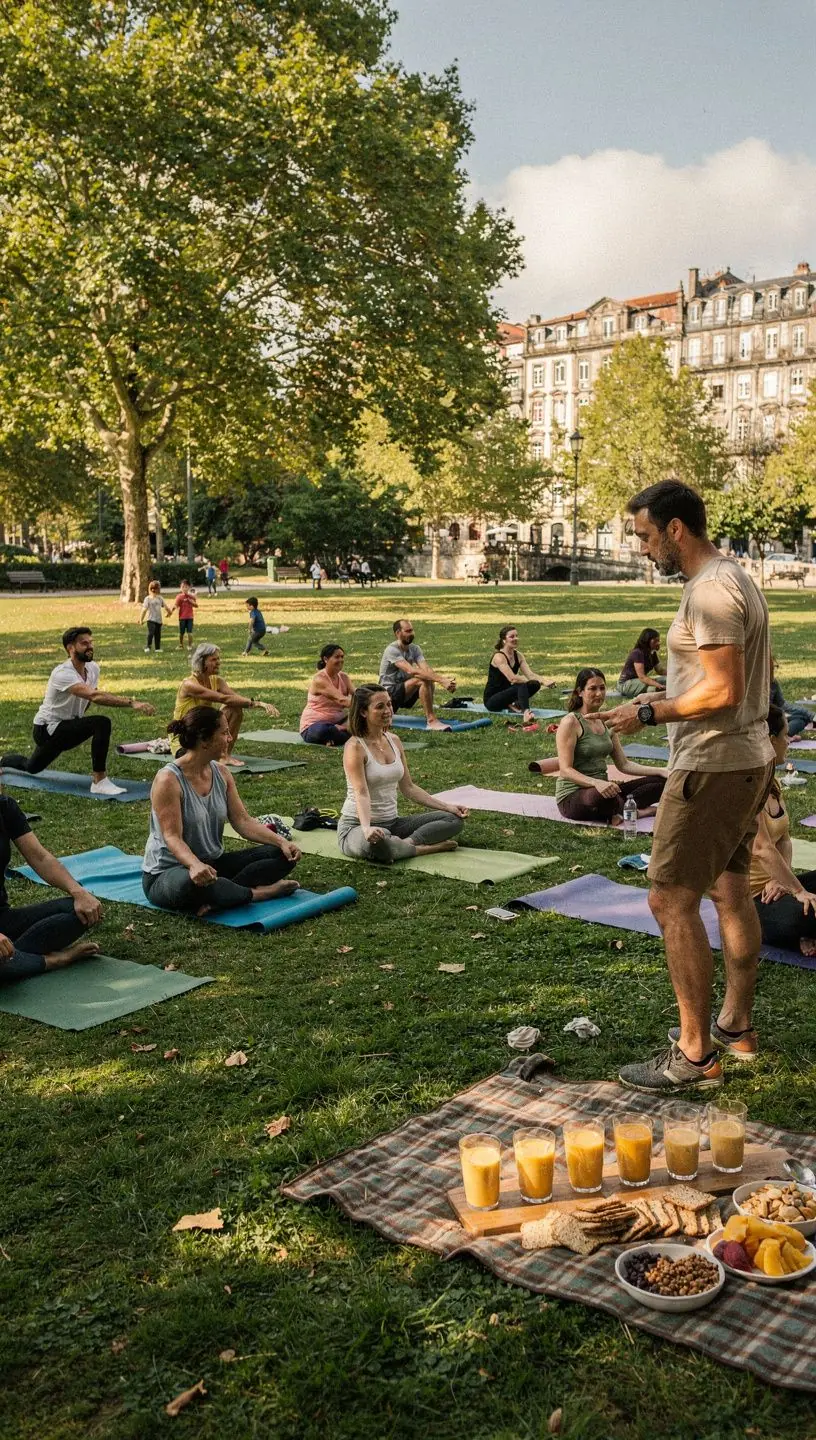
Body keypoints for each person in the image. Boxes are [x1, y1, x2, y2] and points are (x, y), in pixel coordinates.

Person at [605, 479, 775, 1093]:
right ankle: (737, 1025)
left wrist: (647, 713)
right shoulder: (736, 577)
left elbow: (723, 690)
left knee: (670, 898)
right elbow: (750, 680)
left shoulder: (709, 593)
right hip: (744, 757)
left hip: (713, 763)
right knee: (731, 892)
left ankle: (695, 1053)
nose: (645, 550)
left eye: (647, 537)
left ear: (676, 529)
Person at [142, 707, 301, 915]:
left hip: (212, 865)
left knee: (281, 855)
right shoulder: (168, 780)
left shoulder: (222, 773)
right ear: (205, 740)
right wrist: (194, 865)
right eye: (224, 733)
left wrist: (281, 842)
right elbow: (172, 837)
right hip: (168, 873)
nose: (230, 737)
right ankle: (260, 894)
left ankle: (223, 895)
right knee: (191, 884)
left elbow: (243, 821)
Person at [0, 627, 155, 796]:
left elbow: (88, 698)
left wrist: (79, 721)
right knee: (101, 723)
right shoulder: (62, 673)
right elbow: (94, 695)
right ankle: (99, 781)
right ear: (70, 648)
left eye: (91, 642)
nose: (90, 647)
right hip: (46, 729)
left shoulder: (93, 668)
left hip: (66, 726)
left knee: (32, 767)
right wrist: (131, 703)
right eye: (84, 643)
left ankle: (2, 761)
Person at [339, 686, 467, 863]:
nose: (388, 711)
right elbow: (361, 792)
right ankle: (423, 849)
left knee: (453, 820)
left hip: (393, 823)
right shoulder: (355, 747)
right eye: (380, 706)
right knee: (377, 842)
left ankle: (403, 845)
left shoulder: (394, 741)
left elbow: (408, 787)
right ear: (363, 712)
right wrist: (367, 828)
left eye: (389, 704)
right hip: (356, 827)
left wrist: (447, 807)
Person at [0, 793, 103, 982]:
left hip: (3, 918)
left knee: (79, 911)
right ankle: (51, 960)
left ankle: (12, 959)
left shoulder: (4, 807)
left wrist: (78, 892)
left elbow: (40, 858)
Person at [554, 668, 666, 824]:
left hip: (608, 791)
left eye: (602, 688)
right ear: (579, 692)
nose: (599, 693)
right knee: (600, 797)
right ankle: (638, 812)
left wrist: (661, 771)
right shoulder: (571, 722)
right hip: (574, 796)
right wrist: (596, 783)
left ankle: (622, 810)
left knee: (663, 782)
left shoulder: (606, 722)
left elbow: (624, 764)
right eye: (592, 688)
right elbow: (565, 770)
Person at [749, 705, 816, 962]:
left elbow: (784, 840)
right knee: (803, 914)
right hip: (754, 900)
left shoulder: (771, 781)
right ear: (769, 740)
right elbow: (761, 848)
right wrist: (797, 891)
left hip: (776, 886)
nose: (789, 741)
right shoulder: (748, 784)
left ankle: (804, 929)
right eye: (785, 735)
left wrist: (782, 881)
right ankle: (798, 929)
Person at [170, 643, 279, 768]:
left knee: (234, 708)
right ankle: (218, 756)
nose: (218, 662)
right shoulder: (189, 685)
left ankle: (224, 755)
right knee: (230, 704)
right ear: (202, 662)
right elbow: (223, 698)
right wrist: (257, 704)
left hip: (204, 732)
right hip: (186, 739)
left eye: (218, 659)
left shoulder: (217, 680)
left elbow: (235, 699)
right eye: (214, 659)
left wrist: (259, 703)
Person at [378, 618, 456, 731]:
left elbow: (426, 670)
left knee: (427, 678)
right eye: (408, 631)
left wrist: (443, 679)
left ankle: (431, 716)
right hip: (388, 695)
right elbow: (411, 671)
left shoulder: (415, 649)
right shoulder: (392, 650)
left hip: (404, 693)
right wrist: (442, 680)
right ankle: (431, 721)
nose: (412, 634)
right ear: (398, 633)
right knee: (421, 679)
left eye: (412, 630)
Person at [483, 625, 555, 723]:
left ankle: (513, 704)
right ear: (504, 640)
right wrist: (526, 681)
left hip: (507, 693)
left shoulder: (518, 655)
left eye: (516, 636)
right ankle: (526, 713)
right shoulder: (499, 657)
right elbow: (513, 679)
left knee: (535, 684)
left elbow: (530, 675)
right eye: (512, 637)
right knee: (520, 683)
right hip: (492, 700)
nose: (515, 638)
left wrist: (544, 681)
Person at [299, 644, 354, 745]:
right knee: (323, 730)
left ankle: (338, 733)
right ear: (325, 659)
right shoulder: (320, 679)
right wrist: (367, 705)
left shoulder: (344, 677)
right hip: (313, 726)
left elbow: (357, 695)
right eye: (337, 657)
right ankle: (344, 732)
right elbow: (341, 700)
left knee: (363, 720)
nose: (341, 660)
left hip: (339, 723)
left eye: (342, 657)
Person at [769, 653, 811, 738]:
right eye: (772, 668)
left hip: (776, 719)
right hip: (764, 722)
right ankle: (782, 736)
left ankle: (784, 736)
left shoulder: (773, 683)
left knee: (801, 718)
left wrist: (810, 715)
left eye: (775, 667)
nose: (774, 671)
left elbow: (782, 705)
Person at [618, 628, 667, 700]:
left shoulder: (652, 653)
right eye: (655, 641)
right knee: (654, 687)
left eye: (658, 640)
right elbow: (642, 677)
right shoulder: (638, 653)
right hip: (626, 684)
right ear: (647, 640)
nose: (658, 643)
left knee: (667, 680)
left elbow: (660, 670)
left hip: (640, 682)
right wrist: (659, 685)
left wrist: (674, 676)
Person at [139, 580, 172, 654]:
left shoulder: (160, 598)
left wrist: (169, 613)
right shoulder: (147, 599)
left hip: (158, 620)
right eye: (158, 588)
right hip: (150, 619)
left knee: (158, 634)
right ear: (153, 589)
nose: (159, 590)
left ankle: (157, 648)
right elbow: (144, 610)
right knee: (151, 633)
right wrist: (141, 620)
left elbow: (166, 607)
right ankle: (148, 646)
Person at [173, 579, 198, 650]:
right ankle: (181, 645)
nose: (184, 588)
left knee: (190, 633)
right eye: (183, 587)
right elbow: (176, 605)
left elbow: (196, 605)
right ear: (180, 588)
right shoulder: (179, 597)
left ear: (189, 587)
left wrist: (191, 602)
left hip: (190, 617)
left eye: (186, 587)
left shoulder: (191, 597)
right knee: (181, 633)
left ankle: (190, 645)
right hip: (182, 617)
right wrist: (170, 612)